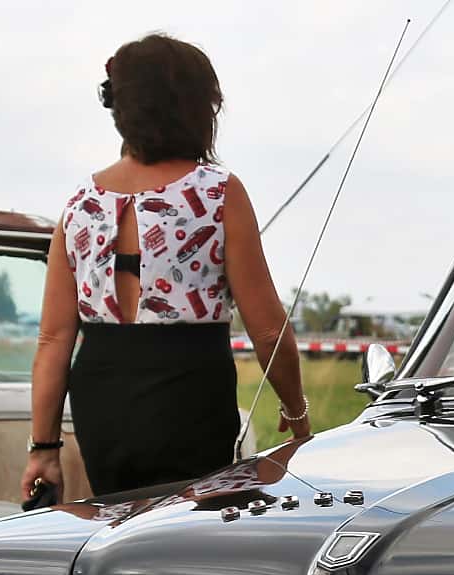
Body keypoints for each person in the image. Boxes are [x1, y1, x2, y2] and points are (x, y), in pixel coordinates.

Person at [23, 33, 310, 502]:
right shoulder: (218, 192)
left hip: (102, 400)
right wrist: (297, 415)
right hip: (190, 392)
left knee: (121, 534)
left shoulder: (80, 203)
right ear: (195, 109)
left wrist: (44, 449)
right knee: (190, 545)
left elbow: (54, 340)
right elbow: (268, 330)